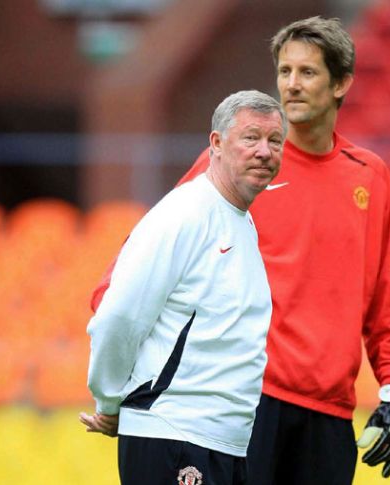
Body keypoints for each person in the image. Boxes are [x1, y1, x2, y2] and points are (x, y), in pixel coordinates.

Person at [91, 16, 390, 484]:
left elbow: (385, 296)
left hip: (328, 411)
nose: (292, 85)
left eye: (307, 73)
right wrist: (123, 367)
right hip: (247, 401)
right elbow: (141, 257)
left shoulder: (369, 175)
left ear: (342, 82)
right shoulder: (234, 166)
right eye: (284, 72)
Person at [80, 89, 287, 485]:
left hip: (224, 442)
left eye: (274, 141)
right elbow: (119, 315)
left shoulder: (240, 222)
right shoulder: (185, 214)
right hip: (176, 435)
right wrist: (109, 399)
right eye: (250, 137)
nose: (264, 151)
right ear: (216, 144)